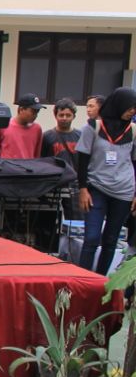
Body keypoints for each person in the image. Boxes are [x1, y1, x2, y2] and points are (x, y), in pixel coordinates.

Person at [75, 87, 136, 274]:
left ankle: (100, 280)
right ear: (118, 104)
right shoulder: (93, 127)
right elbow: (82, 160)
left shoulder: (133, 130)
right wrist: (83, 189)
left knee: (111, 240)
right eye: (129, 107)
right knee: (92, 238)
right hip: (97, 187)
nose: (132, 111)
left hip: (124, 191)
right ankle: (83, 278)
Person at [0, 94, 44, 159]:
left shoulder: (37, 129)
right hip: (8, 165)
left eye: (37, 112)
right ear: (21, 109)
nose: (36, 115)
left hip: (29, 165)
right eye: (33, 111)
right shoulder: (3, 125)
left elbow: (37, 156)